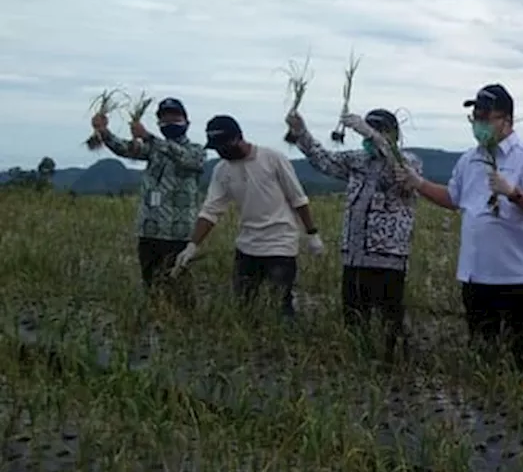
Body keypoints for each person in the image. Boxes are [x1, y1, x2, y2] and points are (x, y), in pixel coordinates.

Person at [396, 84, 523, 394]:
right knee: (482, 345)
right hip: (475, 274)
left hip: (514, 275)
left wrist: (513, 192)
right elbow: (454, 198)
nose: (478, 123)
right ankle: (487, 401)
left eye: (485, 116)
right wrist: (419, 184)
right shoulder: (470, 159)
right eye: (475, 117)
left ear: (506, 120)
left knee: (521, 348)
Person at [287, 109, 422, 359]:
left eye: (373, 133)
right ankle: (359, 359)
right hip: (354, 255)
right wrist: (301, 133)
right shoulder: (358, 160)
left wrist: (373, 134)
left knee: (389, 317)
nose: (367, 140)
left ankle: (394, 362)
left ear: (391, 134)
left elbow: (401, 171)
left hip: (387, 257)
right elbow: (324, 160)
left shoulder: (407, 162)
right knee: (354, 316)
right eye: (365, 133)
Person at [173, 116, 324, 316]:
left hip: (280, 244)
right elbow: (211, 210)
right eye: (216, 148)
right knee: (244, 306)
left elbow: (298, 199)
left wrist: (311, 234)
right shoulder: (222, 169)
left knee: (279, 304)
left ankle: (283, 341)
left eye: (223, 145)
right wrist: (192, 246)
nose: (221, 151)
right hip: (247, 245)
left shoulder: (272, 158)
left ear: (237, 138)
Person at [91, 97, 206, 288]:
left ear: (187, 121)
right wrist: (104, 131)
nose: (170, 122)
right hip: (149, 231)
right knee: (151, 285)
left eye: (175, 117)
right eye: (165, 119)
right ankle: (156, 316)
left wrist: (148, 137)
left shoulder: (197, 150)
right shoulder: (153, 149)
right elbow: (126, 149)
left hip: (178, 234)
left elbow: (187, 159)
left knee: (180, 287)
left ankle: (182, 318)